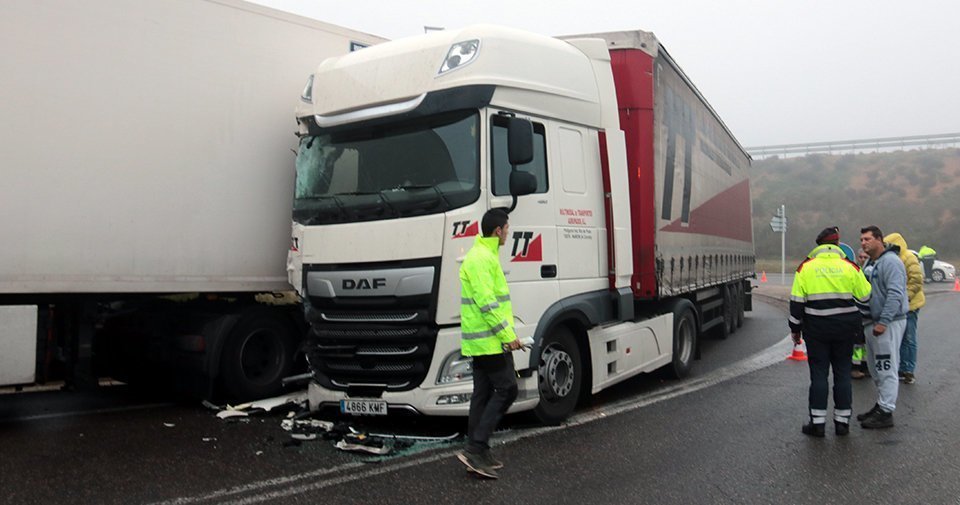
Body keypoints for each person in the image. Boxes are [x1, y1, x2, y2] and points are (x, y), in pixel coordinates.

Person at [456, 208, 521, 479]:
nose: (508, 232)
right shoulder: (482, 258)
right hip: (489, 342)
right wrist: (508, 336)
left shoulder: (484, 255)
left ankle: (478, 451)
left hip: (485, 342)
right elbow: (487, 303)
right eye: (506, 228)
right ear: (497, 231)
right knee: (508, 390)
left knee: (482, 395)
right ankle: (476, 447)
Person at [790, 226, 872, 437]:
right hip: (845, 330)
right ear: (837, 245)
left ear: (819, 246)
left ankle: (817, 424)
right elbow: (865, 297)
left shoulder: (805, 268)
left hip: (816, 330)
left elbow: (796, 303)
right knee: (843, 374)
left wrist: (795, 330)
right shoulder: (850, 266)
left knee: (818, 375)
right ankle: (842, 423)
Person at [857, 225, 909, 429]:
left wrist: (884, 321)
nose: (863, 243)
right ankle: (881, 404)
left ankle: (886, 411)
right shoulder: (871, 262)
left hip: (887, 323)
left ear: (879, 239)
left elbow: (895, 294)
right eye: (861, 240)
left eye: (867, 239)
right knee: (875, 367)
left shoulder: (891, 262)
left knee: (886, 366)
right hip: (870, 323)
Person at [884, 233, 925, 384]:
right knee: (897, 339)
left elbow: (916, 280)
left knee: (908, 338)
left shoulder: (908, 257)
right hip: (897, 305)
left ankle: (908, 369)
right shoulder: (889, 259)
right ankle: (900, 367)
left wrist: (903, 298)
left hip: (910, 305)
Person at [851, 248, 872, 380]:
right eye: (861, 257)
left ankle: (864, 366)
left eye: (865, 257)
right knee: (857, 343)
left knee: (864, 343)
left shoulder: (871, 270)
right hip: (856, 312)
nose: (863, 259)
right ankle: (854, 367)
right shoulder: (854, 271)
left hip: (867, 313)